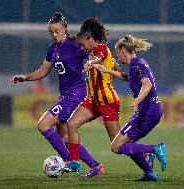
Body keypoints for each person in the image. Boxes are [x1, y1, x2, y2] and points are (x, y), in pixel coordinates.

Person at [11, 12, 101, 173]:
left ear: (65, 29)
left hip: (76, 94)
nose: (54, 34)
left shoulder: (75, 44)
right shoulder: (52, 48)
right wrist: (25, 78)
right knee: (64, 136)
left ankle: (68, 161)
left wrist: (93, 62)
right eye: (51, 32)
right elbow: (44, 70)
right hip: (65, 95)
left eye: (57, 31)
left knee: (43, 124)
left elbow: (97, 53)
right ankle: (95, 165)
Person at [92, 35, 166, 181]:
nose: (117, 57)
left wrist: (137, 101)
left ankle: (155, 149)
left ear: (124, 50)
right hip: (149, 111)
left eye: (117, 53)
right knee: (128, 144)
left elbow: (147, 85)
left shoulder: (137, 65)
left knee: (116, 146)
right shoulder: (137, 64)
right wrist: (107, 70)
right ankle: (149, 173)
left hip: (147, 112)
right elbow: (127, 77)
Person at [64, 17, 121, 178]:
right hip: (93, 100)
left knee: (117, 143)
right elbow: (115, 66)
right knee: (71, 124)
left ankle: (146, 153)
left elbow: (100, 57)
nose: (82, 48)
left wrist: (92, 64)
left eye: (83, 44)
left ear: (90, 39)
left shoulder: (100, 49)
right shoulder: (92, 52)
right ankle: (75, 162)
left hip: (107, 101)